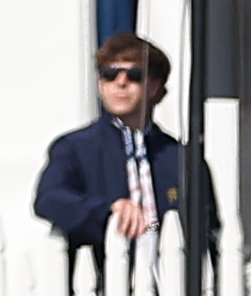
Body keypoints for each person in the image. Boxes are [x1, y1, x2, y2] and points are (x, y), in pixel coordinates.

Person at [34, 31, 218, 258]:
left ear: (156, 88)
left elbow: (209, 229)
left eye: (134, 75)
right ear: (101, 84)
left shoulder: (182, 158)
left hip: (171, 282)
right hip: (100, 282)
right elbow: (49, 199)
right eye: (110, 74)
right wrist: (109, 210)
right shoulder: (74, 148)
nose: (121, 82)